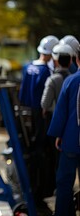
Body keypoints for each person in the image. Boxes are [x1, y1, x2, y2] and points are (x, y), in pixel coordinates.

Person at [18, 35, 59, 215]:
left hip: (26, 113)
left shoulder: (28, 66)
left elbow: (22, 92)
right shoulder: (46, 72)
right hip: (41, 115)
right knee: (41, 151)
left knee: (31, 148)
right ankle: (39, 188)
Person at [47, 44, 80, 216]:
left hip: (71, 140)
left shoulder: (71, 81)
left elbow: (61, 111)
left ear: (77, 59)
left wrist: (58, 135)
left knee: (65, 182)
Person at [40, 43, 74, 200]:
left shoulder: (53, 79)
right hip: (73, 127)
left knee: (55, 161)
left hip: (55, 124)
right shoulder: (74, 79)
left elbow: (44, 103)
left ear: (57, 60)